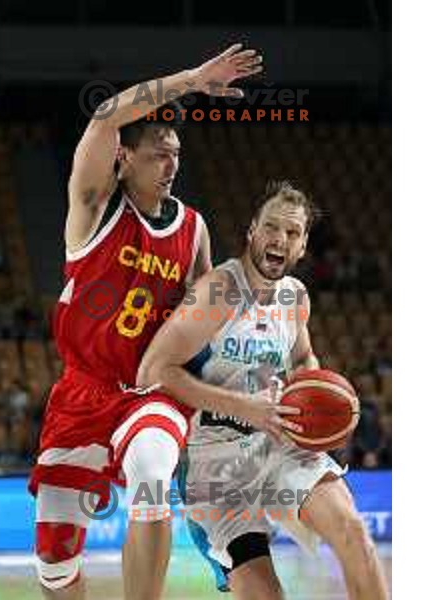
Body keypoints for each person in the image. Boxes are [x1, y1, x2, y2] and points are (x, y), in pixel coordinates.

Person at [28, 44, 281, 600]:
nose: (172, 165)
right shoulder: (93, 204)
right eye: (158, 154)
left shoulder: (193, 229)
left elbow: (206, 325)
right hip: (83, 392)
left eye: (176, 155)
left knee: (150, 474)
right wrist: (193, 79)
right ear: (124, 157)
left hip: (150, 391)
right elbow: (104, 116)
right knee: (52, 553)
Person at [137, 180, 389, 599]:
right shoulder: (218, 291)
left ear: (303, 246)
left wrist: (312, 399)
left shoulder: (295, 297)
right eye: (272, 227)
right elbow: (153, 370)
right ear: (252, 231)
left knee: (353, 533)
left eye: (292, 233)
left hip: (279, 443)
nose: (280, 239)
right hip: (214, 458)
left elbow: (304, 358)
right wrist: (241, 405)